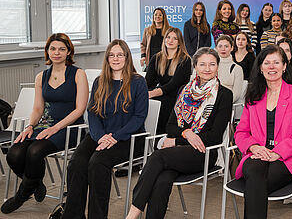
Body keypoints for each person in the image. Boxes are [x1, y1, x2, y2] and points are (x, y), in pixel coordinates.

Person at [126, 48, 232, 219]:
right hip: (179, 153)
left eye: (212, 64)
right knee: (162, 179)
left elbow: (214, 137)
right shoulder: (184, 90)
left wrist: (177, 141)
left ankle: (131, 215)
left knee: (158, 157)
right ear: (195, 67)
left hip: (204, 153)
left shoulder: (224, 95)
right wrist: (187, 134)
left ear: (218, 66)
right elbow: (170, 127)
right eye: (202, 64)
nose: (207, 68)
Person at [1, 34, 88, 214]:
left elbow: (80, 109)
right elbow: (38, 108)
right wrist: (30, 126)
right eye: (53, 49)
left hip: (69, 127)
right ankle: (35, 182)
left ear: (69, 51)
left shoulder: (78, 74)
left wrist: (56, 128)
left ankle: (22, 195)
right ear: (47, 51)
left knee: (34, 152)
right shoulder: (41, 76)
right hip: (45, 125)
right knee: (14, 153)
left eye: (62, 49)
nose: (57, 53)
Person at [62, 39, 148, 219]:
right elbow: (92, 113)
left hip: (129, 138)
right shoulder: (100, 81)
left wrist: (114, 137)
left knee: (97, 163)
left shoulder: (138, 82)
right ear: (107, 58)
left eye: (120, 55)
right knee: (76, 163)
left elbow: (139, 117)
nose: (115, 58)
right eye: (112, 55)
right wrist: (101, 136)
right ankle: (72, 215)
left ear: (127, 57)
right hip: (100, 135)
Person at [234, 44, 292, 219]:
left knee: (254, 183)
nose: (271, 67)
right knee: (255, 174)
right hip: (257, 153)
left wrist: (278, 152)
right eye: (267, 63)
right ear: (260, 68)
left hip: (289, 157)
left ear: (284, 66)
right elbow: (241, 132)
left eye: (276, 62)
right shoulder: (253, 95)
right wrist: (253, 147)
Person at [145, 27, 192, 135]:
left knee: (163, 103)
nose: (170, 41)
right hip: (160, 93)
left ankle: (160, 136)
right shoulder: (156, 58)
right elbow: (147, 81)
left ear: (179, 42)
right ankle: (145, 136)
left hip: (177, 96)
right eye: (168, 37)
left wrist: (152, 93)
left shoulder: (185, 60)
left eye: (174, 38)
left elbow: (173, 85)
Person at [215, 35, 244, 104]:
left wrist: (222, 104)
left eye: (226, 46)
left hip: (227, 104)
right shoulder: (210, 67)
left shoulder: (237, 69)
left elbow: (236, 95)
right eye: (220, 46)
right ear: (216, 48)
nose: (223, 49)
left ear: (232, 48)